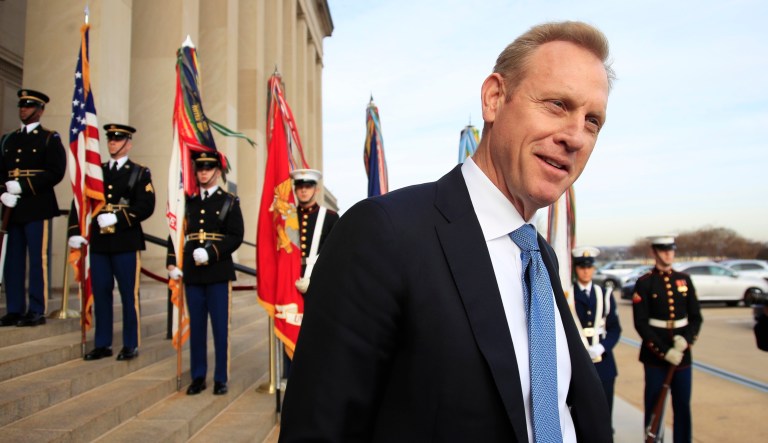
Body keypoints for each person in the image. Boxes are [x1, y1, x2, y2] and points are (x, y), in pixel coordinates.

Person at [280, 21, 615, 442]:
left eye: (592, 121)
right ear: (494, 98)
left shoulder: (539, 255)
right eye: (557, 105)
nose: (576, 137)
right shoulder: (383, 235)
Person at [68, 124, 155, 361]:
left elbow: (146, 206)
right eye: (110, 139)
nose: (112, 143)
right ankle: (102, 343)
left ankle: (130, 344)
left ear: (128, 144)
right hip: (99, 241)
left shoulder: (139, 173)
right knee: (101, 292)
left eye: (118, 139)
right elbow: (81, 200)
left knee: (128, 294)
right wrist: (75, 230)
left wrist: (118, 217)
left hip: (125, 241)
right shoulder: (97, 171)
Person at [167, 151, 244, 396]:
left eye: (208, 168)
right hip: (192, 272)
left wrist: (212, 252)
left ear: (218, 171)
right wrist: (172, 263)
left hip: (218, 272)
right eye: (199, 168)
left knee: (220, 328)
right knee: (197, 328)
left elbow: (236, 236)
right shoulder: (187, 201)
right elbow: (175, 231)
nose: (203, 173)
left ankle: (221, 378)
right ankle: (198, 376)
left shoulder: (228, 201)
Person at [0, 89, 66, 327]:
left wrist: (24, 186)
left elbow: (56, 172)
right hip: (12, 208)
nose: (23, 109)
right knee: (13, 260)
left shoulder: (49, 138)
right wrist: (3, 192)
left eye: (28, 106)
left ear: (40, 111)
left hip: (37, 206)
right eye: (21, 105)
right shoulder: (8, 139)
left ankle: (36, 309)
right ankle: (14, 309)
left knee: (37, 259)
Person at [632, 235, 703, 443]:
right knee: (654, 405)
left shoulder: (684, 279)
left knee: (682, 405)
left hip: (682, 354)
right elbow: (641, 323)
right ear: (654, 253)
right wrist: (664, 351)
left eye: (671, 250)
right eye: (663, 250)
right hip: (655, 355)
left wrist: (686, 341)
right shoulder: (645, 283)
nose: (668, 254)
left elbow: (696, 317)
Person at [570, 246, 621, 427]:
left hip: (604, 363)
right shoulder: (567, 295)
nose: (585, 271)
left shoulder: (605, 294)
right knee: (581, 419)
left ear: (593, 268)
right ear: (575, 268)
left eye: (589, 266)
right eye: (581, 267)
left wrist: (602, 347)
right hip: (579, 365)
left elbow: (614, 329)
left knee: (604, 416)